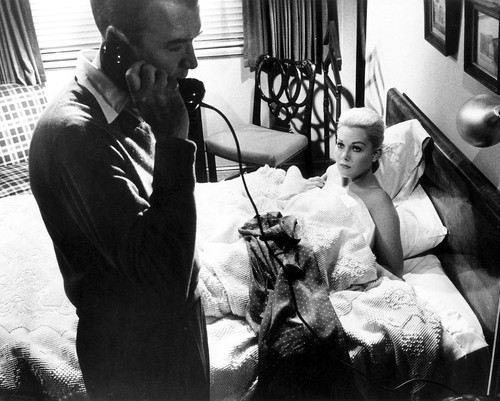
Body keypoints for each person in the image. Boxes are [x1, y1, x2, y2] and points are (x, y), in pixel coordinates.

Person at [29, 0, 209, 399]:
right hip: (135, 352)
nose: (192, 62)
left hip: (178, 327)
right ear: (117, 45)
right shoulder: (75, 134)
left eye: (193, 41)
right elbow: (163, 282)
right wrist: (173, 142)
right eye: (176, 46)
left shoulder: (135, 103)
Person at [312, 107, 404, 279]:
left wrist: (348, 263)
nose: (344, 156)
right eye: (340, 145)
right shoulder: (333, 171)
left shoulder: (378, 201)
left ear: (375, 154)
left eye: (356, 149)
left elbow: (395, 270)